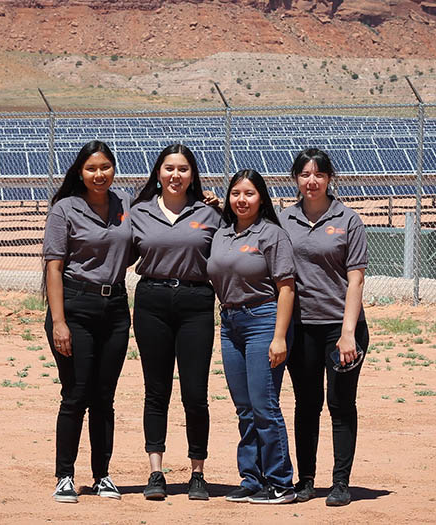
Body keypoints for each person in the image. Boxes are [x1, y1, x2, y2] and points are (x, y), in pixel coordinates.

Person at [130, 144, 222, 501]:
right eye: (169, 168)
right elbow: (113, 248)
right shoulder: (139, 212)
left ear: (193, 175)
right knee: (156, 391)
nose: (175, 175)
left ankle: (197, 472)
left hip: (196, 302)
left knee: (195, 393)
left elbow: (247, 233)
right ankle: (156, 471)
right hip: (151, 301)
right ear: (158, 173)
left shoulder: (210, 213)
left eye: (183, 169)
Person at [42, 140, 132, 503]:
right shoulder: (65, 209)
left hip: (116, 309)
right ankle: (65, 475)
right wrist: (59, 322)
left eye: (105, 167)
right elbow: (54, 266)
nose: (99, 174)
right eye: (92, 168)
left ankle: (102, 475)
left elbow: (159, 226)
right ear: (80, 172)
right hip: (75, 306)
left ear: (114, 169)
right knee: (76, 394)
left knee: (104, 398)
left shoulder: (125, 203)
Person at [278, 148, 369, 507]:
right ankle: (306, 479)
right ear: (296, 179)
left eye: (318, 174)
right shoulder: (285, 219)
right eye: (304, 174)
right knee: (306, 403)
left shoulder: (348, 220)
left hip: (341, 328)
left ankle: (341, 482)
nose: (311, 181)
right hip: (302, 327)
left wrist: (348, 333)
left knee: (341, 403)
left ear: (329, 178)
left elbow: (356, 280)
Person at [206, 169, 297, 504]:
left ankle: (280, 482)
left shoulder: (271, 234)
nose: (241, 200)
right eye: (236, 194)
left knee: (264, 404)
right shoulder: (222, 233)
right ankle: (251, 478)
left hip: (263, 319)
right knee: (244, 407)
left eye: (249, 194)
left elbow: (286, 288)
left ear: (262, 198)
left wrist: (279, 337)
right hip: (230, 322)